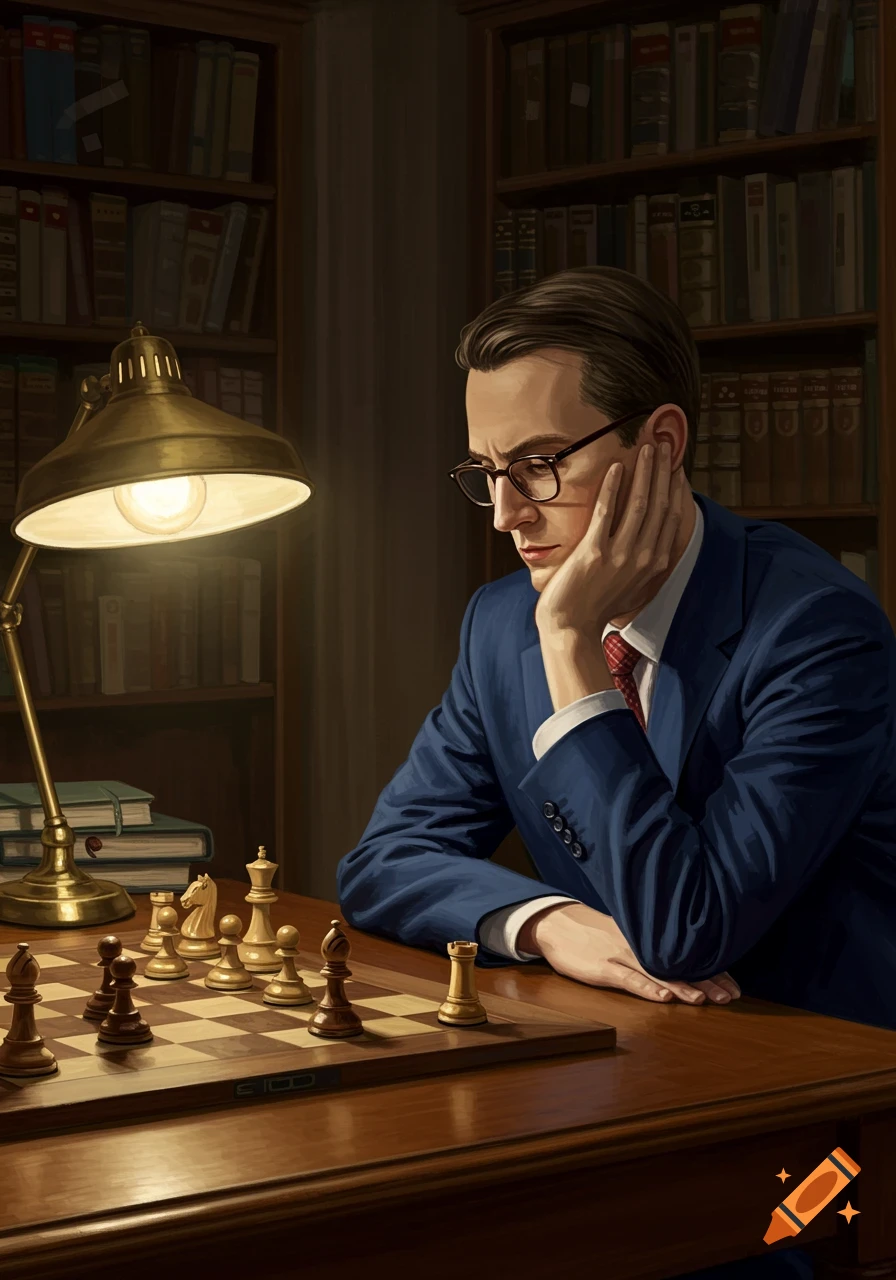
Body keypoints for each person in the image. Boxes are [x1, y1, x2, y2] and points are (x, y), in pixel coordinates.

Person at [337, 266, 896, 1278]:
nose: (505, 513)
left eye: (540, 463)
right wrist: (552, 924)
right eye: (484, 471)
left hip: (827, 1141)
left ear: (659, 445)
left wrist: (567, 652)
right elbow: (384, 858)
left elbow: (687, 932)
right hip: (631, 1084)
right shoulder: (495, 624)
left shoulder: (814, 631)